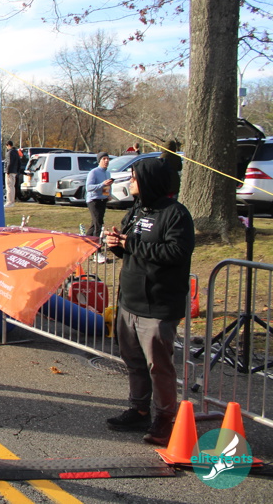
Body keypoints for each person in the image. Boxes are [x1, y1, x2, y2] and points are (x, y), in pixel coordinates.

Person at [104, 157, 194, 447]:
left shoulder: (176, 214)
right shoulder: (137, 210)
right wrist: (118, 245)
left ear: (149, 181)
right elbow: (133, 250)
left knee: (159, 365)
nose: (130, 182)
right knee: (133, 361)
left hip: (157, 305)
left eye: (134, 177)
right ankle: (139, 409)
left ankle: (165, 418)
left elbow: (176, 253)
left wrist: (130, 244)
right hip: (129, 301)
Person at [86, 152, 114, 264]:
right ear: (99, 161)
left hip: (103, 200)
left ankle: (85, 245)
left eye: (108, 159)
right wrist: (102, 184)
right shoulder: (93, 172)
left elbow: (107, 186)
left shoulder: (107, 173)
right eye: (104, 159)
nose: (106, 161)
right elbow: (89, 187)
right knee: (98, 225)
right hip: (94, 201)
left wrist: (108, 194)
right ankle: (97, 253)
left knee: (94, 224)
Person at [4, 140, 19, 207]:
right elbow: (19, 162)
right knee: (12, 187)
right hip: (14, 172)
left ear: (8, 145)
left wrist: (7, 171)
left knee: (9, 187)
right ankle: (12, 201)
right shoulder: (16, 152)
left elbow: (9, 162)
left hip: (10, 172)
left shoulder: (9, 153)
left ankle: (9, 201)